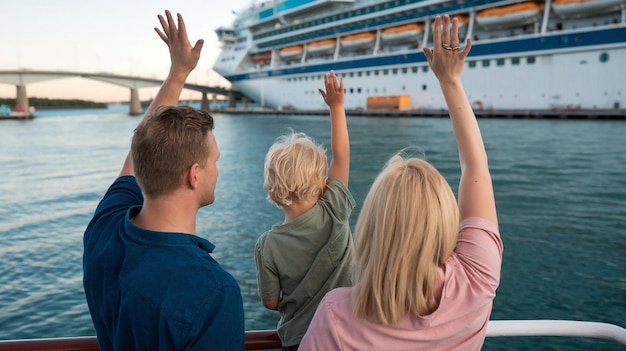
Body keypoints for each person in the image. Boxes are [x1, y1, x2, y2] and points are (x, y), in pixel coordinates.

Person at [299, 14, 502, 351]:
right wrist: (450, 80)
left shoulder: (337, 314)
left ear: (373, 226)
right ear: (445, 220)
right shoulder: (477, 280)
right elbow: (476, 166)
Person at [82, 10, 245, 351]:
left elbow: (136, 154)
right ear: (194, 175)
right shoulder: (213, 291)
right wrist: (180, 71)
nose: (218, 167)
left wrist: (178, 72)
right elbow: (136, 154)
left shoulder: (103, 229)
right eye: (214, 160)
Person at [255, 71, 355, 350]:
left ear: (272, 190)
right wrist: (336, 107)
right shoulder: (335, 210)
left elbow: (270, 302)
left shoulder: (267, 245)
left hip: (300, 341)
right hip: (349, 333)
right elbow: (342, 155)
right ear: (324, 186)